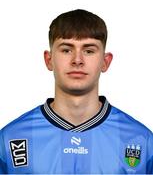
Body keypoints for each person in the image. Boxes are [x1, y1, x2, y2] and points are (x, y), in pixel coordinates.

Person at [0, 9, 153, 174]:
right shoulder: (10, 138)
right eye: (66, 50)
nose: (77, 60)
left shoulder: (141, 140)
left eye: (89, 51)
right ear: (48, 60)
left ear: (105, 61)